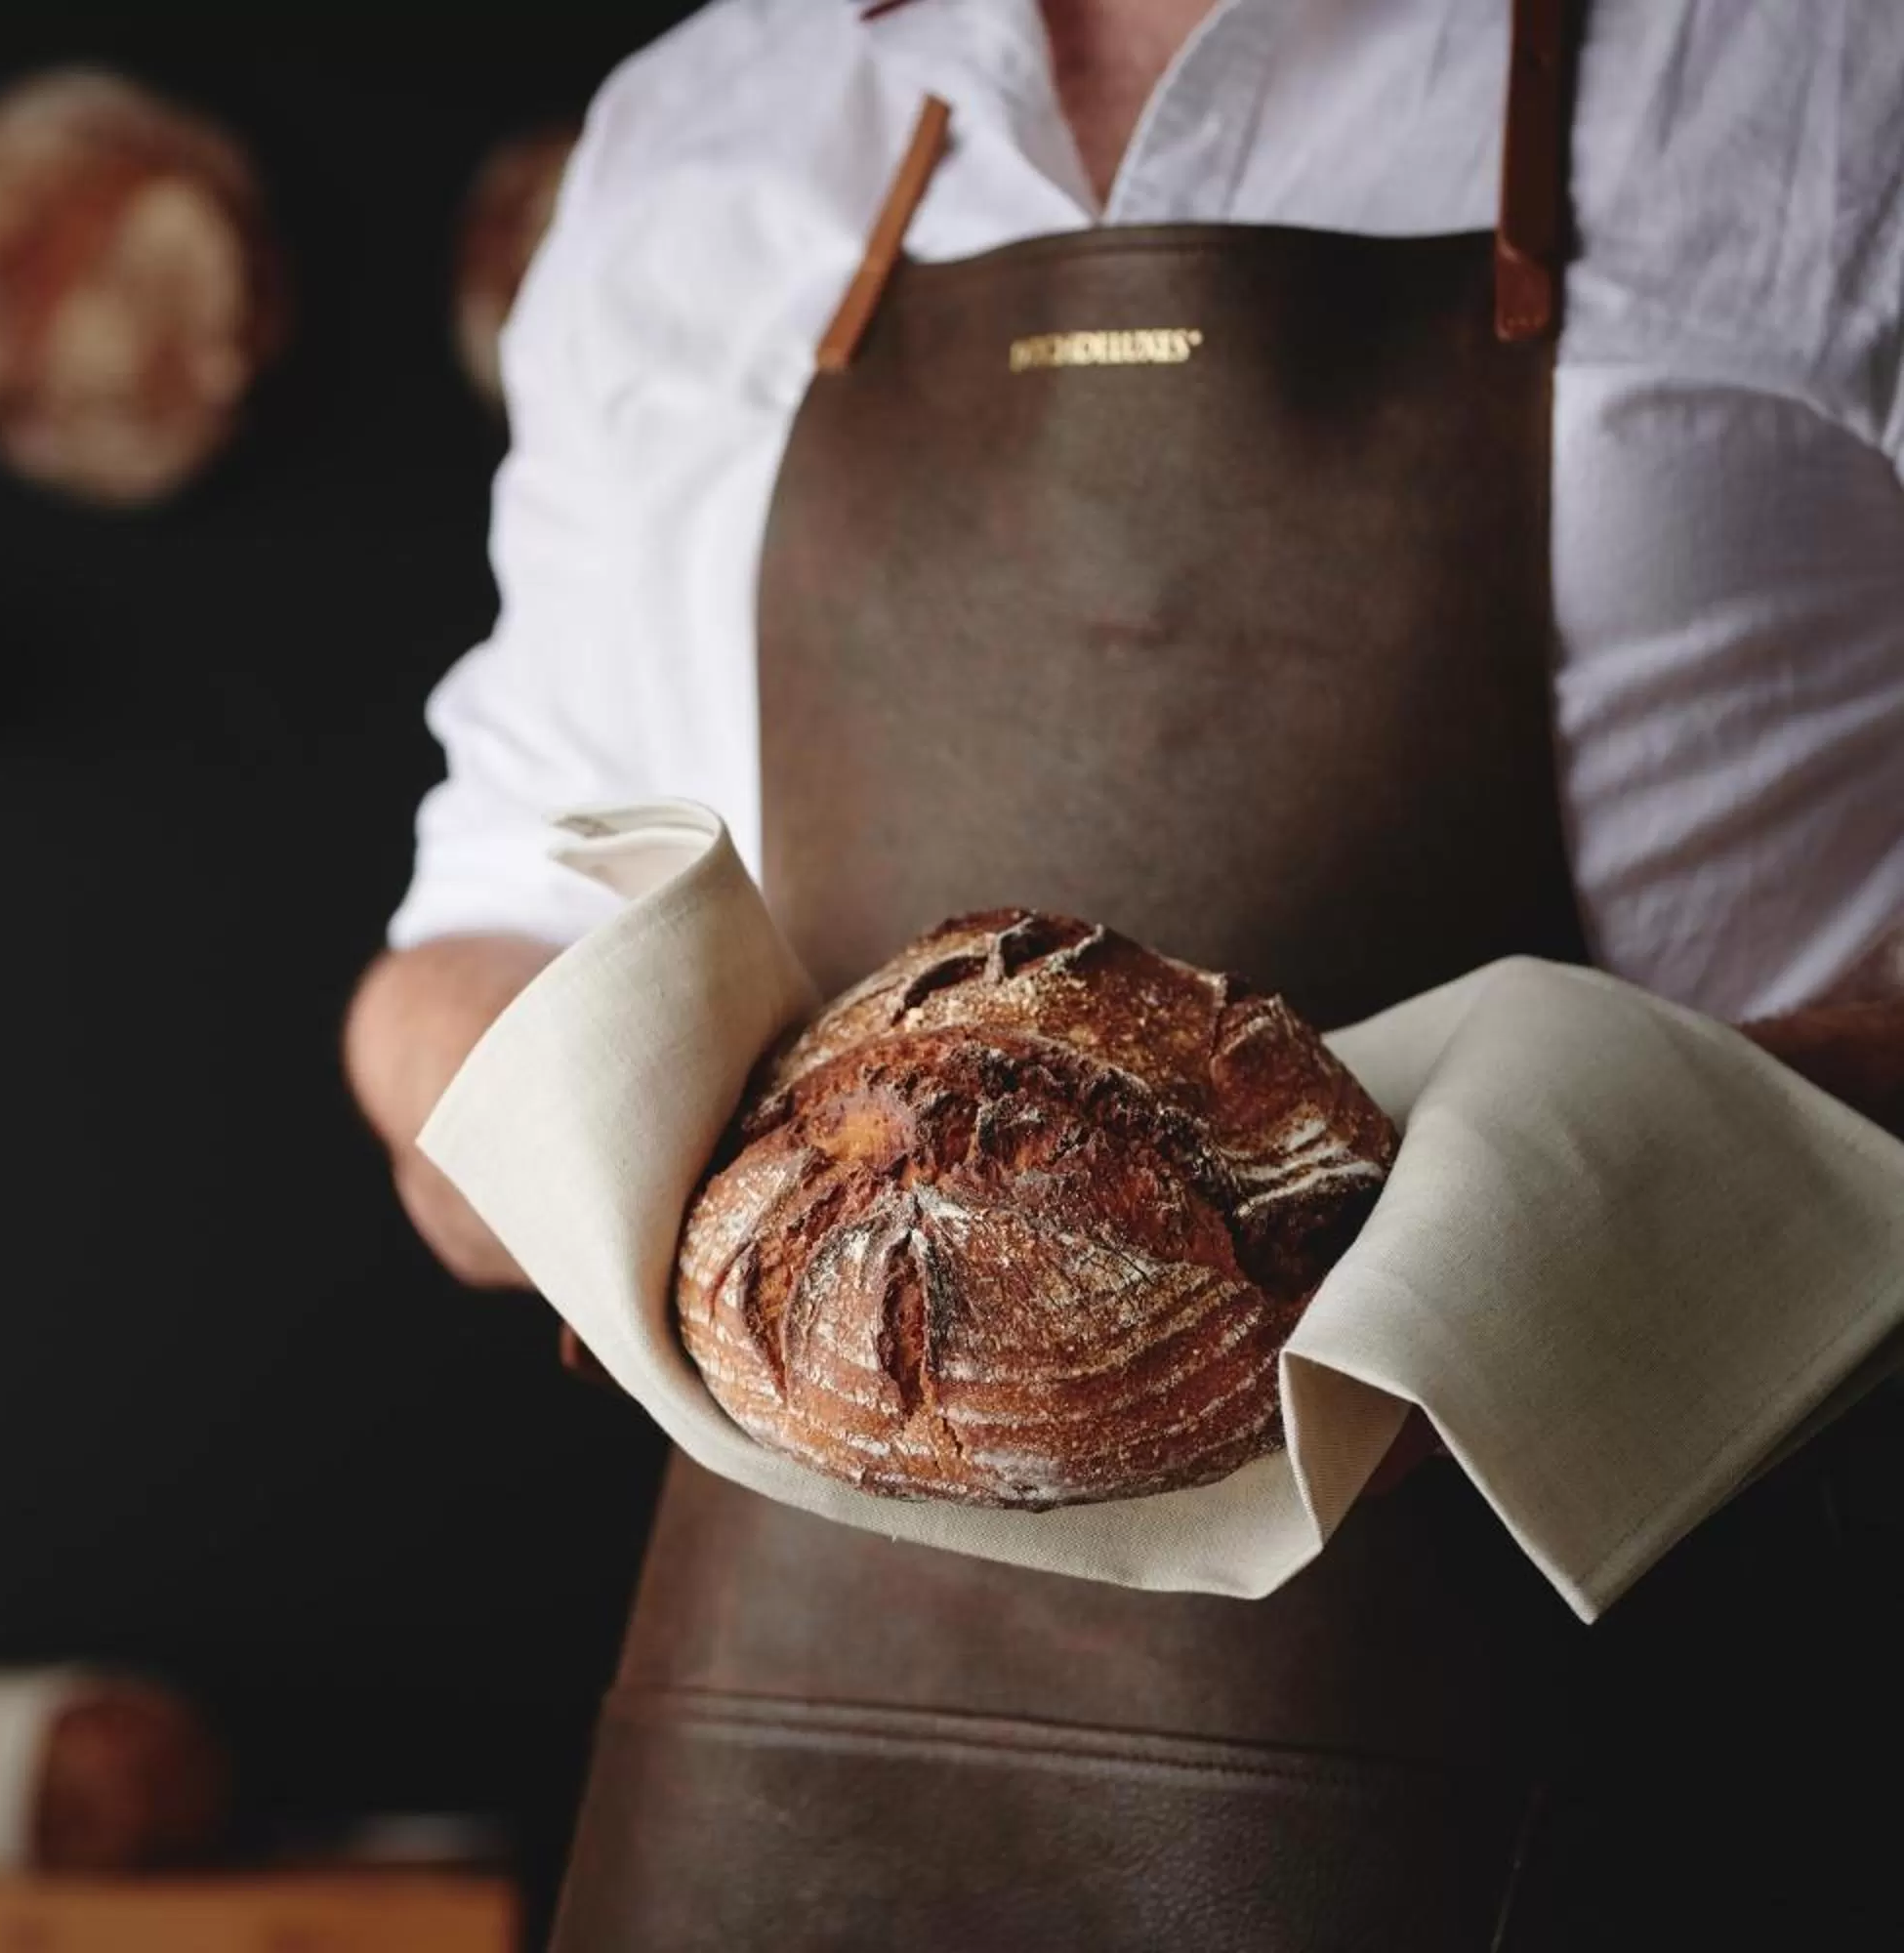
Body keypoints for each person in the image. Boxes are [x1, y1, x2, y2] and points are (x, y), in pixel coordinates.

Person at [345, 2, 1904, 1945]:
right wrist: (672, 1163)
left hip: (1630, 1751)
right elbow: (460, 967)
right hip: (790, 1772)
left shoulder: (1818, 71)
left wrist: (1613, 1182)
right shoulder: (697, 131)